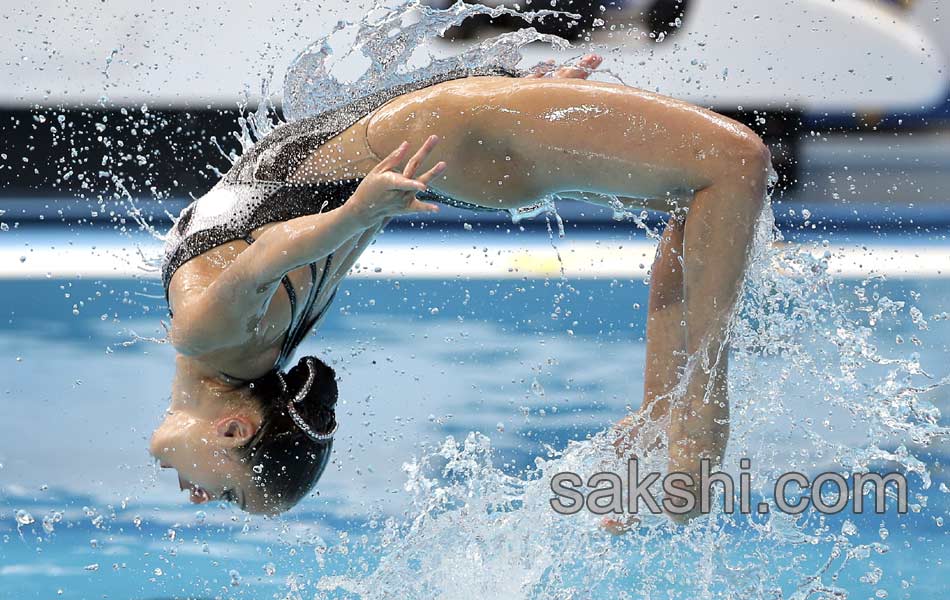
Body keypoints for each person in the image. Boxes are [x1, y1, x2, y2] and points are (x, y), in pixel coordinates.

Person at [149, 52, 774, 518]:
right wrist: (361, 209)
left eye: (230, 494)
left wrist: (355, 211)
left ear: (234, 430)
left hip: (453, 132)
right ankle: (685, 410)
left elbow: (266, 250)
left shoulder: (212, 336)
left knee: (715, 186)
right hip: (455, 133)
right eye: (225, 494)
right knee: (727, 172)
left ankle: (680, 412)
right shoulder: (239, 347)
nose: (202, 499)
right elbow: (303, 199)